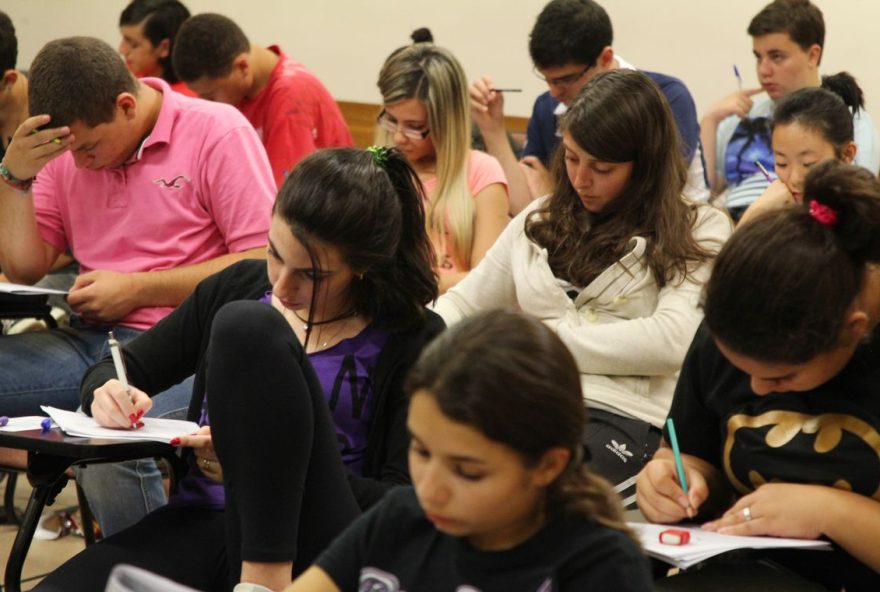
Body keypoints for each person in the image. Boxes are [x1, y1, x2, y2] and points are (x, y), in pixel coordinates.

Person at [35, 146, 444, 592]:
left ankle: (261, 580)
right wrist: (108, 392)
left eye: (312, 276)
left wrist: (258, 467)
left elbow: (408, 502)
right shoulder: (238, 285)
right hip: (203, 518)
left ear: (362, 267)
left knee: (247, 325)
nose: (281, 286)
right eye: (273, 255)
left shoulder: (412, 336)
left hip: (326, 539)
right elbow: (121, 366)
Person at [434, 69, 731, 505]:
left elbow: (673, 340)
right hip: (525, 402)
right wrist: (413, 336)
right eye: (571, 158)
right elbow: (462, 303)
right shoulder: (540, 217)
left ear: (645, 164)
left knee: (529, 502)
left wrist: (538, 346)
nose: (580, 179)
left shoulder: (699, 227)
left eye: (602, 168)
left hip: (628, 418)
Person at [0, 36, 273, 458]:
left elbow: (260, 263)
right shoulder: (69, 146)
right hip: (87, 341)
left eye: (88, 148)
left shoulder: (217, 131)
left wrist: (136, 288)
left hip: (179, 350)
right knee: (96, 423)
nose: (78, 164)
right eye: (69, 151)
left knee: (110, 441)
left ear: (126, 105)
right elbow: (24, 269)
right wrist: (16, 177)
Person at [636, 160, 880, 592]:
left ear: (852, 329)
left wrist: (827, 511)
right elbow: (694, 454)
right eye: (739, 368)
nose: (755, 389)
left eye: (781, 378)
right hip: (737, 569)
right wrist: (676, 478)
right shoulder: (729, 327)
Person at [285, 309, 653, 592]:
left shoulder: (599, 568)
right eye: (421, 451)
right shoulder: (399, 518)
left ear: (547, 465)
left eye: (468, 472)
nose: (430, 490)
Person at [470, 0, 706, 215]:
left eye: (567, 79)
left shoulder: (666, 97)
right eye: (548, 80)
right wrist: (492, 129)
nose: (554, 92)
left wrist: (552, 194)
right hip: (581, 237)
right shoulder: (548, 107)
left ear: (605, 58)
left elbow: (653, 195)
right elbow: (524, 208)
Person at [700, 0, 879, 221]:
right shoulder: (743, 115)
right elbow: (703, 193)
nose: (764, 70)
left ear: (812, 55)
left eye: (776, 57)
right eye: (758, 57)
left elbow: (857, 195)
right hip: (734, 226)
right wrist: (710, 120)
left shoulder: (848, 119)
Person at [377, 33, 509, 293]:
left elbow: (486, 281)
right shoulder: (380, 166)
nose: (399, 136)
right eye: (391, 120)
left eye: (415, 127)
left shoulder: (481, 172)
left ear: (445, 123)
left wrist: (406, 288)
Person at [172, 13, 353, 186]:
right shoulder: (240, 89)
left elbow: (284, 197)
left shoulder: (290, 94)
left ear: (242, 66)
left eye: (211, 95)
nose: (206, 104)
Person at [0, 9, 77, 321]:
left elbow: (76, 236)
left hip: (57, 267)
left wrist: (9, 276)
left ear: (8, 80)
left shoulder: (60, 123)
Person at [738, 73, 861, 225]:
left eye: (809, 164)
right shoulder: (777, 217)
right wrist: (756, 212)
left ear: (847, 154)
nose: (794, 179)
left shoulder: (865, 219)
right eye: (782, 163)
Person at [118, 0, 194, 97]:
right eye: (124, 39)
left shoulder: (188, 100)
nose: (122, 50)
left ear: (164, 48)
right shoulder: (125, 77)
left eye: (134, 44)